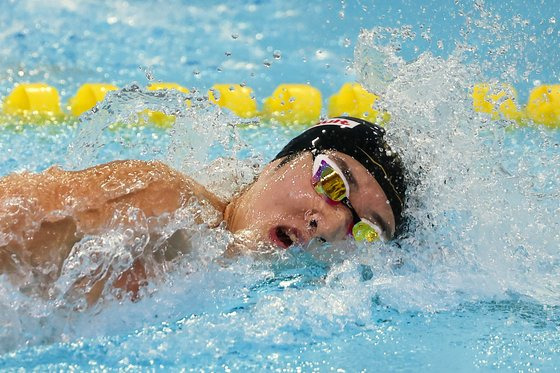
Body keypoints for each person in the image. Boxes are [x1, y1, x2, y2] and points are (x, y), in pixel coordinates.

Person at [0, 116, 406, 304]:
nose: (331, 225)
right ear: (280, 161)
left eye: (364, 229)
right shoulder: (161, 203)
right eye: (333, 181)